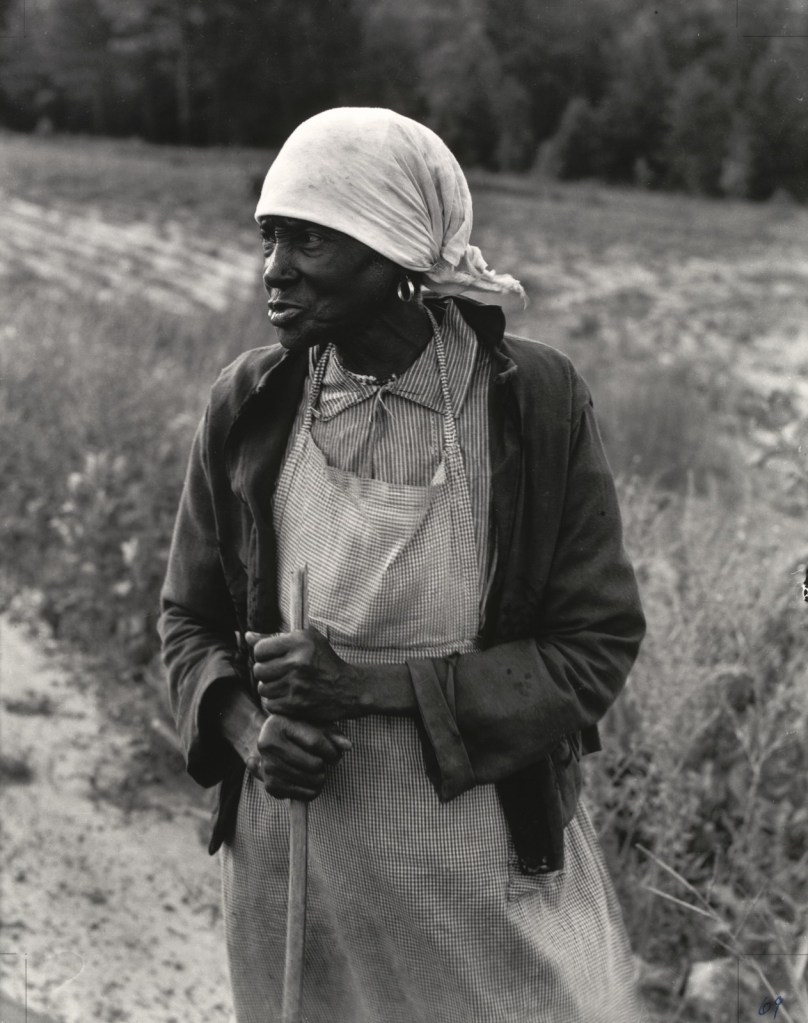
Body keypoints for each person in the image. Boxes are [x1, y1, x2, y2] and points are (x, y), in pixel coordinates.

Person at [159, 107, 646, 1023]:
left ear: (392, 252)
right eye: (270, 238)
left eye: (309, 239)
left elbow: (595, 647)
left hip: (480, 873)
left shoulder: (529, 404)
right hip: (297, 864)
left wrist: (364, 688)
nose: (275, 270)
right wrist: (248, 732)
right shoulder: (250, 403)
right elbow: (188, 619)